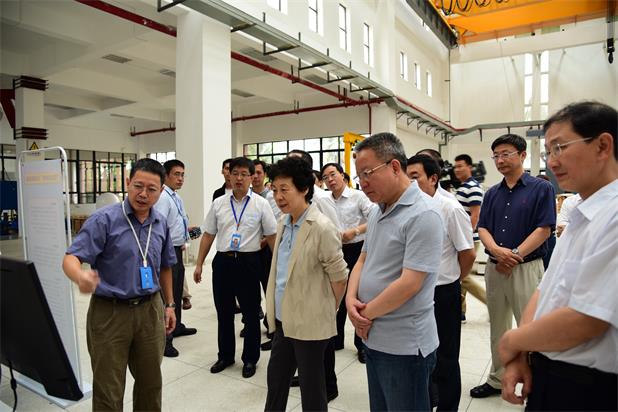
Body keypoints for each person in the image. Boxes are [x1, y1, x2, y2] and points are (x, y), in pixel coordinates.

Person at [498, 102, 617, 411]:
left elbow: (588, 318)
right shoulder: (580, 213)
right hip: (549, 371)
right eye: (548, 152)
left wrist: (513, 340)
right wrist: (523, 352)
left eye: (560, 148)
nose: (552, 161)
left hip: (589, 388)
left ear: (603, 146)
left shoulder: (613, 216)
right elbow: (546, 289)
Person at [62, 158, 176, 411]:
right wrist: (80, 276)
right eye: (138, 186)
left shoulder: (160, 223)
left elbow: (166, 266)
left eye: (151, 189)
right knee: (108, 389)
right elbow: (71, 258)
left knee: (150, 383)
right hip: (110, 313)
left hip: (150, 310)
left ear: (161, 191)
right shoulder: (104, 220)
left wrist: (169, 305)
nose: (143, 194)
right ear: (127, 183)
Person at [347, 132, 444, 411]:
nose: (363, 183)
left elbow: (410, 283)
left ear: (394, 166)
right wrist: (350, 301)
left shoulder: (424, 213)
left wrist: (364, 315)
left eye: (368, 173)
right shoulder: (378, 210)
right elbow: (363, 259)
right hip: (374, 336)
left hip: (404, 345)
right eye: (359, 176)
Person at [470, 134, 556, 399]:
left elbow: (544, 229)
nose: (500, 160)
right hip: (495, 268)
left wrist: (514, 255)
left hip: (526, 268)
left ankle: (537, 382)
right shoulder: (492, 193)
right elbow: (483, 227)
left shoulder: (541, 188)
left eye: (506, 153)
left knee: (530, 327)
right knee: (498, 326)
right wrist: (496, 251)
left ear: (522, 155)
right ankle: (497, 378)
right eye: (496, 155)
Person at [264, 156, 348, 412]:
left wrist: (325, 309)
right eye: (275, 190)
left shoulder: (321, 227)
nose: (278, 197)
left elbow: (339, 277)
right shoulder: (283, 222)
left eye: (284, 189)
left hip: (310, 322)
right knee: (276, 381)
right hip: (283, 319)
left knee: (312, 389)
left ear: (304, 189)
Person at [193, 157, 277, 378]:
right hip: (223, 262)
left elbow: (271, 236)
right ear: (228, 176)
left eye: (244, 174)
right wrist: (199, 263)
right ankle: (225, 355)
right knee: (224, 312)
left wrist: (278, 265)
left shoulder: (261, 204)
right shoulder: (219, 203)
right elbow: (208, 234)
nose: (239, 178)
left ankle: (250, 359)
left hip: (249, 262)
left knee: (250, 313)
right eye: (235, 174)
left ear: (252, 177)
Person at [407, 155, 476, 411]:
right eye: (407, 177)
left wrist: (453, 279)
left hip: (443, 292)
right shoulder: (410, 207)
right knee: (421, 353)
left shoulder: (450, 208)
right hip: (415, 291)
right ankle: (428, 399)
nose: (410, 183)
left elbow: (468, 253)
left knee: (446, 356)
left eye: (415, 177)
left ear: (433, 178)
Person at [321, 162, 376, 363]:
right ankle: (336, 339)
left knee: (358, 294)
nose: (330, 180)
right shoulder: (324, 200)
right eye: (325, 177)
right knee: (337, 292)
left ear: (342, 175)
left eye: (332, 174)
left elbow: (375, 218)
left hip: (357, 249)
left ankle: (361, 344)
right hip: (335, 250)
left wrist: (356, 231)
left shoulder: (358, 196)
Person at [154, 159, 197, 358]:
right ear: (166, 176)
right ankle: (166, 339)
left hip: (178, 249)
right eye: (176, 174)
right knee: (168, 294)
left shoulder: (175, 196)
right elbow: (159, 227)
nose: (180, 179)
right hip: (167, 250)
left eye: (182, 175)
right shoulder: (163, 198)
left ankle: (176, 325)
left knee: (177, 290)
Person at [453, 154, 487, 322]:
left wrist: (465, 237)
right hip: (463, 237)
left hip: (468, 238)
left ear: (470, 167)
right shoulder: (463, 187)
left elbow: (475, 215)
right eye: (455, 167)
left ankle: (491, 303)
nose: (457, 170)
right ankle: (461, 311)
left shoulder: (473, 187)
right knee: (461, 275)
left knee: (462, 276)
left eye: (461, 166)